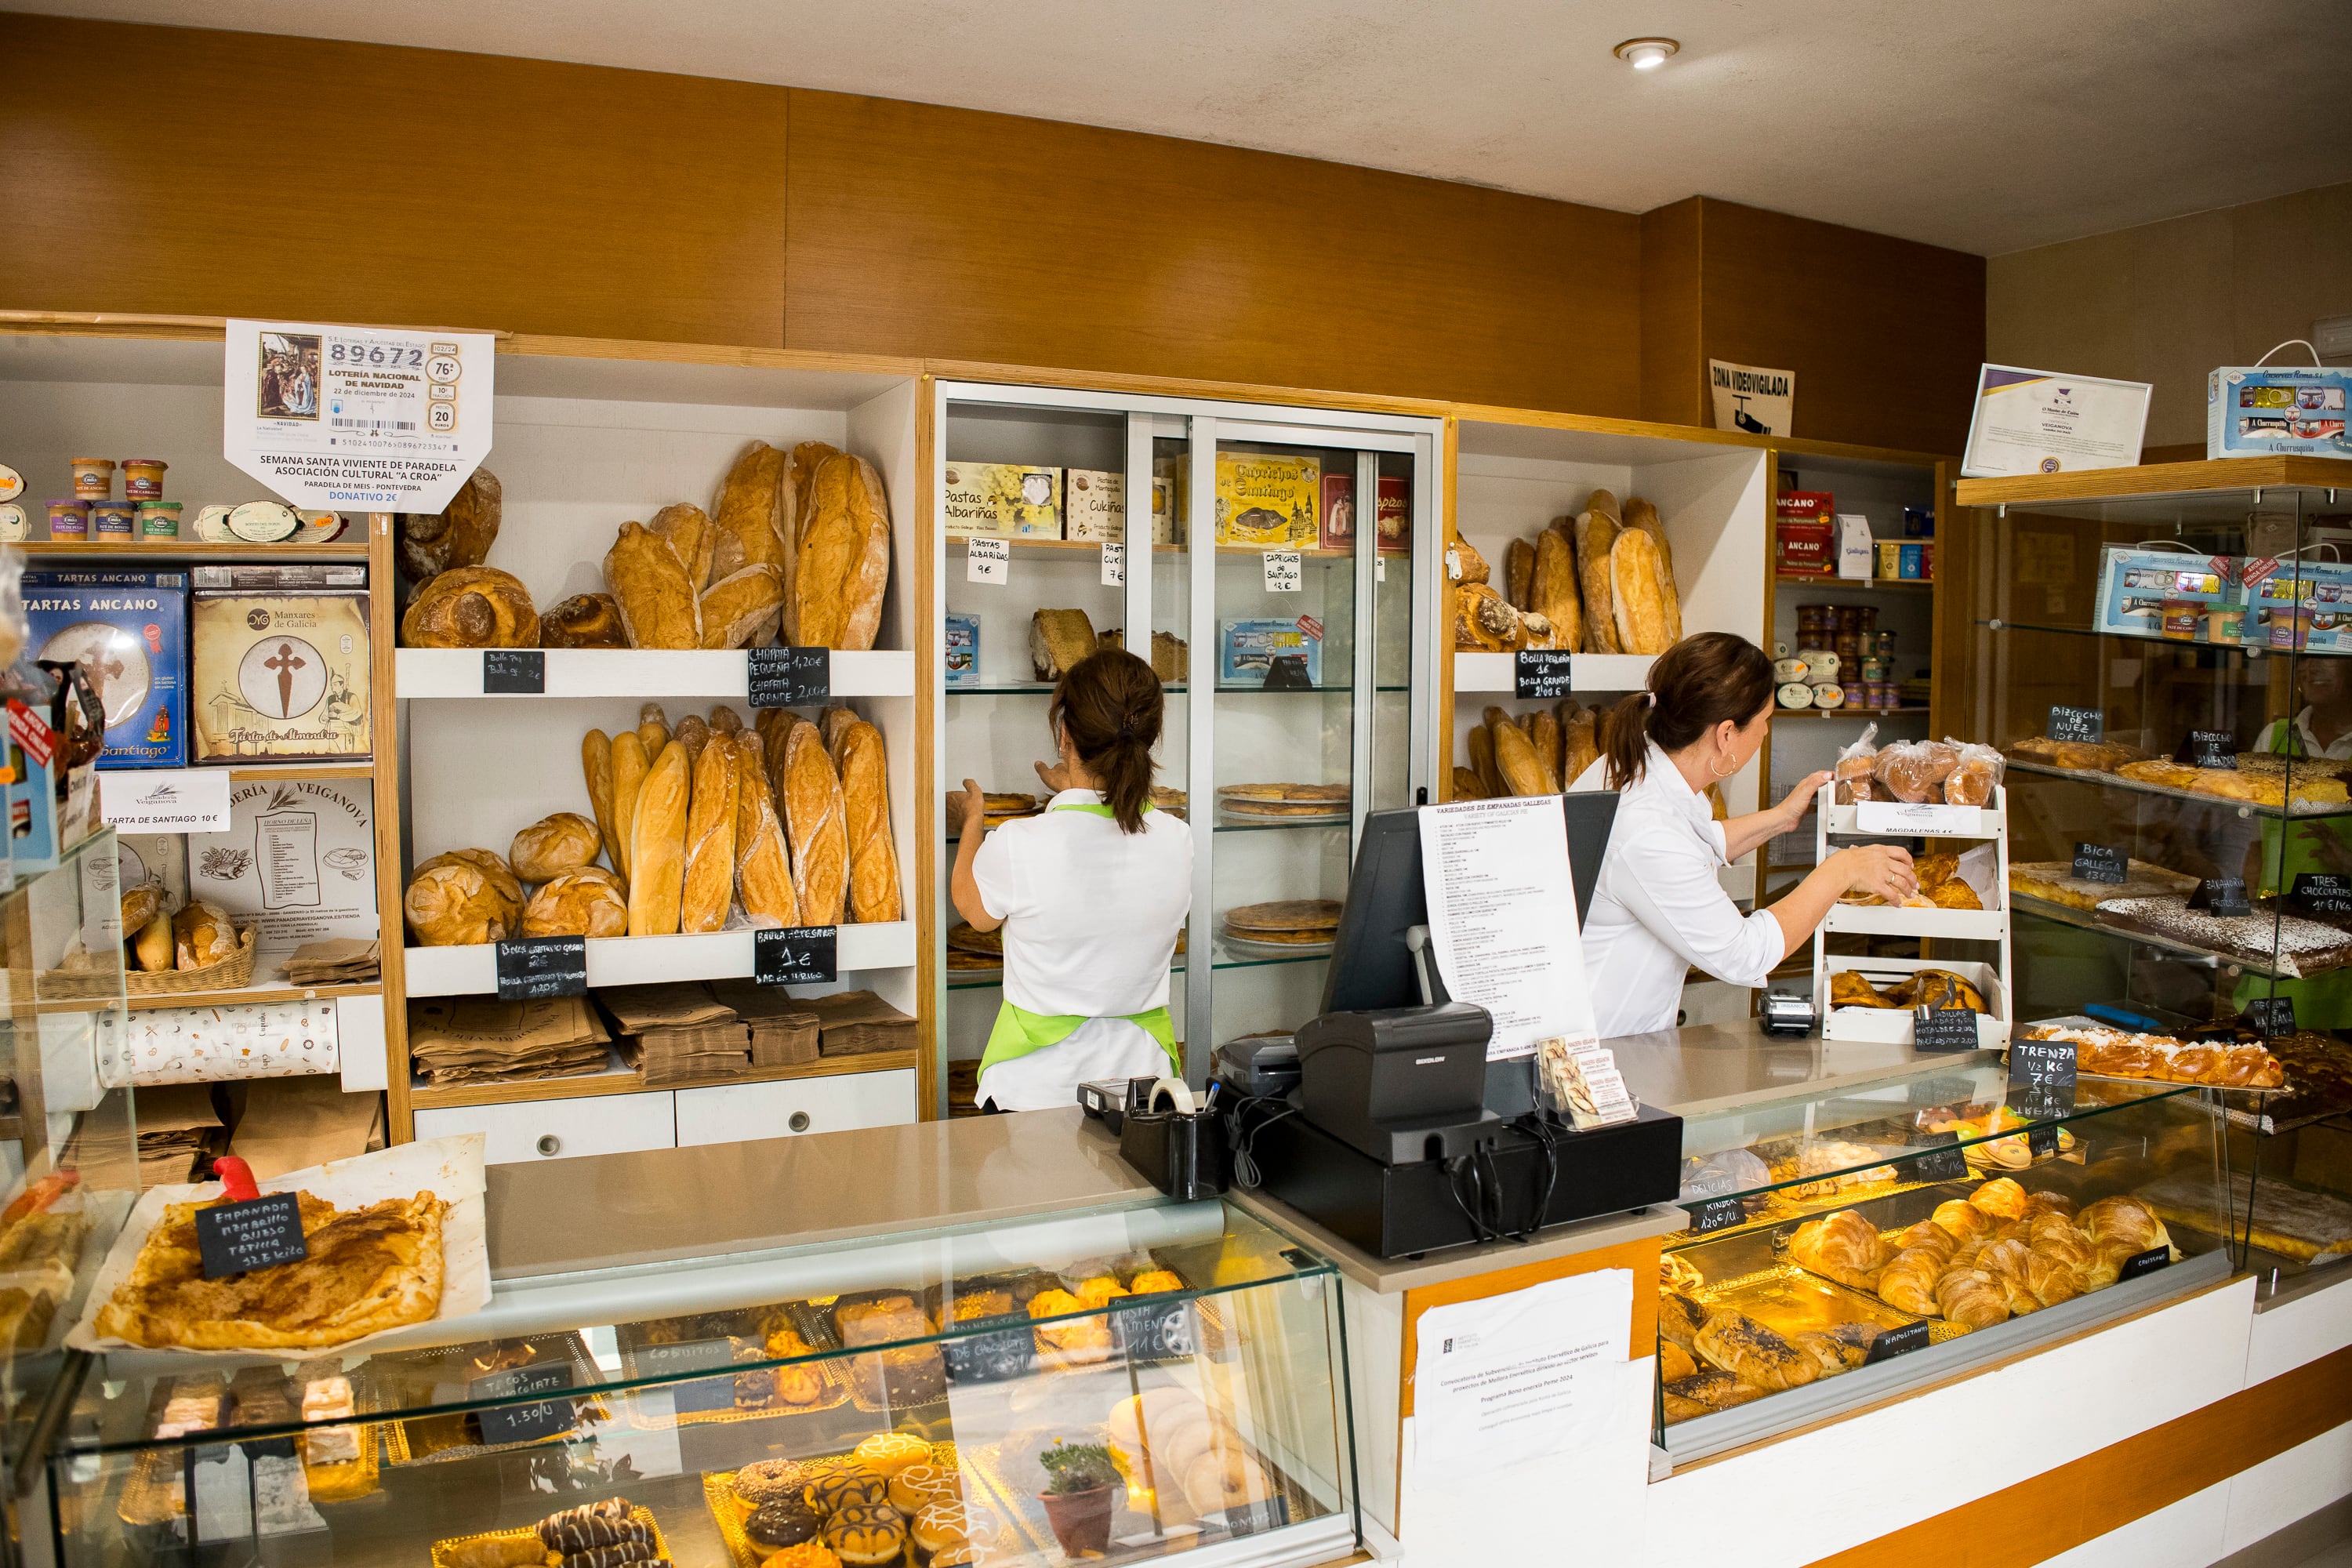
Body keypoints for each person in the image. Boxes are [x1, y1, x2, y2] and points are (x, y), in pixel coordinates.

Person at [1570, 632, 1917, 1038]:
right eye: (1765, 721)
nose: (1766, 733)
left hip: (1610, 1037)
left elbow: (1694, 843)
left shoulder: (1632, 764)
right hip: (1596, 1052)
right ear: (1727, 733)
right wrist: (1842, 870)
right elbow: (1745, 955)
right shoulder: (1647, 828)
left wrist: (1781, 819)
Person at [951, 647, 1192, 1112]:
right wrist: (1081, 792)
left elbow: (974, 912)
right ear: (1151, 736)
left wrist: (972, 821)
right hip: (1145, 1094)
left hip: (1034, 1095)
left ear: (1064, 736)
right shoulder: (1178, 839)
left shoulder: (1019, 842)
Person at [2235, 657, 2352, 1026]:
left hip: (2344, 943)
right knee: (2267, 1062)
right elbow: (2252, 841)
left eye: (2326, 658)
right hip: (2276, 934)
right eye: (2304, 660)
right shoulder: (2276, 736)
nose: (2310, 669)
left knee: (2332, 1074)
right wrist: (2240, 924)